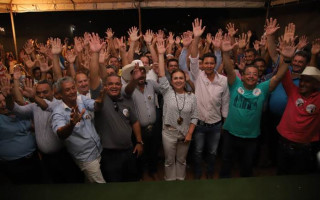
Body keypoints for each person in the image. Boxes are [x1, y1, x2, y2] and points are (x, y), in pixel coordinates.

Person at [219, 18, 296, 178]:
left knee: (247, 168)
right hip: (230, 134)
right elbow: (228, 68)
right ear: (244, 75)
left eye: (255, 74)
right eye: (248, 74)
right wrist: (225, 52)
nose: (252, 76)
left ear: (258, 76)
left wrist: (287, 60)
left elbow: (279, 75)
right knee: (226, 164)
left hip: (251, 137)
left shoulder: (263, 88)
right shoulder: (235, 83)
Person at [189, 18, 230, 179]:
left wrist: (224, 123)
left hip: (215, 125)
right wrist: (196, 37)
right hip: (198, 124)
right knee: (198, 151)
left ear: (215, 64)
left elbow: (225, 102)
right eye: (206, 63)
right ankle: (198, 174)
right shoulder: (197, 76)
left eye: (211, 63)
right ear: (203, 65)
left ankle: (210, 173)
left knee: (212, 152)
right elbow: (193, 59)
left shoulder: (223, 81)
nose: (208, 65)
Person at [51, 76, 105, 183]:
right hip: (86, 157)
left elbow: (95, 106)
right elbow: (60, 134)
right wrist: (71, 124)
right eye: (67, 90)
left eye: (73, 88)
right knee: (101, 185)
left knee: (90, 182)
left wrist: (100, 101)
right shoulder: (58, 112)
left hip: (98, 149)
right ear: (61, 94)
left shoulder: (81, 99)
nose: (72, 92)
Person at [157, 40, 198, 181]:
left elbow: (194, 116)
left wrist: (190, 134)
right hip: (169, 133)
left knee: (181, 161)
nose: (179, 80)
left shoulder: (191, 96)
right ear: (172, 80)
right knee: (169, 161)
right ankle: (170, 182)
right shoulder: (167, 92)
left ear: (185, 80)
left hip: (185, 135)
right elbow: (162, 75)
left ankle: (180, 182)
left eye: (181, 78)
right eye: (176, 78)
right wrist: (161, 54)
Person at [91, 74, 143, 182]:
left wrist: (139, 142)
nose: (114, 86)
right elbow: (94, 77)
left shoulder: (126, 100)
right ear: (105, 86)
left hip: (129, 151)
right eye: (110, 84)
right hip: (110, 154)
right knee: (114, 186)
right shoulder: (100, 99)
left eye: (117, 84)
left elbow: (135, 121)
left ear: (121, 86)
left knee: (132, 182)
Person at [277, 66, 320, 175]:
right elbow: (284, 73)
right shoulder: (293, 91)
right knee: (281, 175)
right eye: (301, 80)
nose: (302, 83)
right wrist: (286, 59)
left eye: (307, 81)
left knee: (300, 179)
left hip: (304, 148)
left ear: (316, 84)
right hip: (284, 143)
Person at [122, 60, 160, 179]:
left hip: (153, 127)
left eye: (143, 71)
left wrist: (161, 73)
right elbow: (127, 92)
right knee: (139, 153)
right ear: (132, 75)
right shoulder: (127, 87)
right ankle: (142, 174)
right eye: (137, 72)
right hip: (138, 130)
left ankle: (153, 171)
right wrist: (134, 80)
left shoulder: (151, 84)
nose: (141, 74)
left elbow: (165, 90)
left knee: (153, 152)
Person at [0, 80, 41, 184]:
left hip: (33, 157)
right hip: (13, 164)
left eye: (4, 101)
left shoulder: (20, 113)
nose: (3, 105)